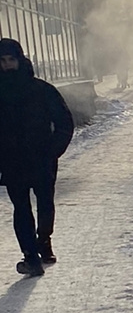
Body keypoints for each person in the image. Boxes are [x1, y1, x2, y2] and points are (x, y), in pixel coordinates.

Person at [0, 37, 74, 276]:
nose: (7, 65)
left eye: (11, 59)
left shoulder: (42, 90)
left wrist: (52, 151)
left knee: (45, 204)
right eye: (2, 61)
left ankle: (44, 240)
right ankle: (31, 257)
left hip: (41, 159)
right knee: (20, 208)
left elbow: (64, 123)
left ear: (20, 60)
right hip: (12, 162)